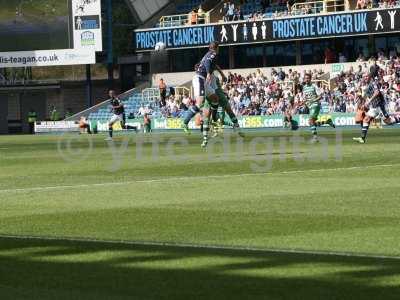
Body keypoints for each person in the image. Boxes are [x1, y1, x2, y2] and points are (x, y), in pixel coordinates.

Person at [183, 42, 223, 138]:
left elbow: (212, 64)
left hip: (202, 80)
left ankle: (214, 121)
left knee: (215, 98)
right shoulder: (213, 54)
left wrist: (221, 74)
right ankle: (185, 123)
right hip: (200, 78)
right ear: (217, 48)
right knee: (199, 103)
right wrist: (209, 73)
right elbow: (207, 62)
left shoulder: (209, 54)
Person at [353, 74, 400, 143]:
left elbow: (377, 92)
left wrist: (369, 101)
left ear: (370, 77)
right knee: (366, 119)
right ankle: (362, 138)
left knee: (388, 121)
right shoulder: (367, 87)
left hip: (380, 105)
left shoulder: (373, 83)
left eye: (366, 76)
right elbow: (364, 98)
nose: (365, 77)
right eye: (364, 77)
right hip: (374, 107)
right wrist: (359, 97)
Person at [301, 73, 335, 143]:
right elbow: (305, 98)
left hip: (315, 105)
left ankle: (315, 138)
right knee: (312, 123)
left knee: (310, 121)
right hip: (310, 106)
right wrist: (303, 102)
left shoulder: (314, 86)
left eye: (308, 78)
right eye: (305, 78)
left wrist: (313, 100)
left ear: (310, 79)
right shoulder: (304, 88)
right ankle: (327, 121)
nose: (306, 80)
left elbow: (320, 96)